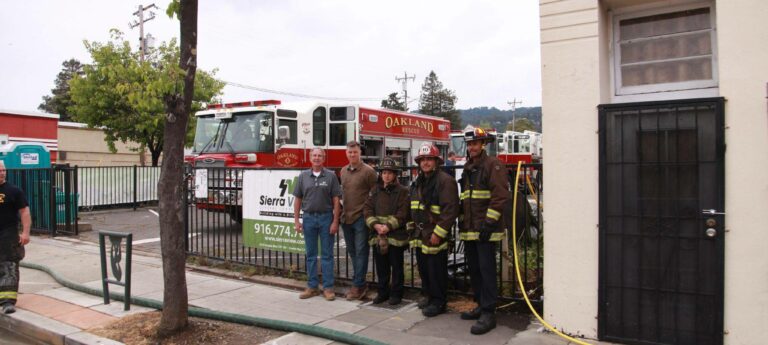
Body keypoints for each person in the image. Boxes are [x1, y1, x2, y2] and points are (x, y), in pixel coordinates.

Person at [458, 126, 510, 335]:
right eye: (469, 144)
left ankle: (489, 313)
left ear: (483, 144)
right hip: (471, 229)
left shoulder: (493, 165)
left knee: (487, 271)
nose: (472, 147)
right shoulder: (469, 167)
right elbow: (467, 199)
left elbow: (500, 196)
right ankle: (481, 304)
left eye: (475, 143)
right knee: (476, 270)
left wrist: (489, 224)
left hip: (486, 229)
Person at [409, 142, 459, 317]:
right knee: (424, 269)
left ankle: (439, 302)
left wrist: (439, 233)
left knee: (436, 270)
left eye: (429, 159)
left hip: (434, 234)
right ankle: (429, 296)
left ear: (437, 161)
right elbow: (414, 206)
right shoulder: (419, 182)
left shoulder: (445, 181)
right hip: (420, 234)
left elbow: (450, 210)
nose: (425, 163)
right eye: (422, 160)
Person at [293, 148, 342, 301]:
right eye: (314, 155)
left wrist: (335, 221)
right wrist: (296, 220)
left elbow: (336, 200)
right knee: (311, 255)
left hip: (326, 218)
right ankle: (312, 286)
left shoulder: (331, 176)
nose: (317, 158)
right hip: (308, 218)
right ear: (310, 158)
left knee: (327, 255)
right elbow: (298, 200)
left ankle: (328, 288)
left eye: (320, 156)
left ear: (324, 158)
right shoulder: (303, 176)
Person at [363, 157, 409, 305]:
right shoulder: (374, 190)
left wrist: (388, 226)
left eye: (389, 172)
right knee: (381, 267)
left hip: (395, 236)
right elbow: (367, 210)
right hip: (378, 235)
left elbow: (403, 213)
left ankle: (396, 294)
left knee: (396, 267)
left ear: (395, 174)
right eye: (384, 172)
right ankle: (382, 292)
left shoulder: (402, 192)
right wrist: (376, 225)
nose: (386, 175)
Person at [340, 141, 377, 300]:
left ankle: (357, 285)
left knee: (362, 252)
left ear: (359, 153)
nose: (352, 155)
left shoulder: (369, 172)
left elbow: (375, 195)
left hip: (361, 218)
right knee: (353, 252)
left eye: (355, 152)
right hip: (346, 218)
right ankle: (360, 283)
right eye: (349, 152)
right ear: (346, 153)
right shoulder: (343, 171)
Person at [0, 160, 31, 314]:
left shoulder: (14, 191)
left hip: (8, 234)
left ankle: (8, 302)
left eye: (3, 170)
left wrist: (25, 233)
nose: (2, 173)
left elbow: (24, 211)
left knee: (9, 266)